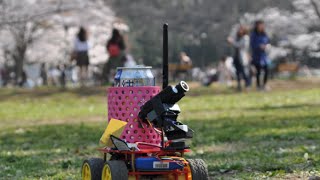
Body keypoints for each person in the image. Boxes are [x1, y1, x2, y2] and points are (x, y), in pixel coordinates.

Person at [227, 25, 251, 91]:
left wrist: (232, 42)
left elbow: (239, 45)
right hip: (236, 57)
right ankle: (239, 86)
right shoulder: (237, 37)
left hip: (242, 57)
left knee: (244, 72)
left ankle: (247, 85)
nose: (240, 31)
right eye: (239, 29)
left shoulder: (245, 37)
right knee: (237, 72)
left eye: (241, 29)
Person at [250, 20, 270, 90]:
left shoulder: (264, 34)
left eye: (262, 25)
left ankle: (264, 85)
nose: (261, 26)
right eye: (260, 25)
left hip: (264, 56)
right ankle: (258, 86)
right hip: (256, 56)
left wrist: (266, 46)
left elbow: (267, 42)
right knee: (258, 71)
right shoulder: (253, 35)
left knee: (266, 70)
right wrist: (259, 46)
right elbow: (252, 45)